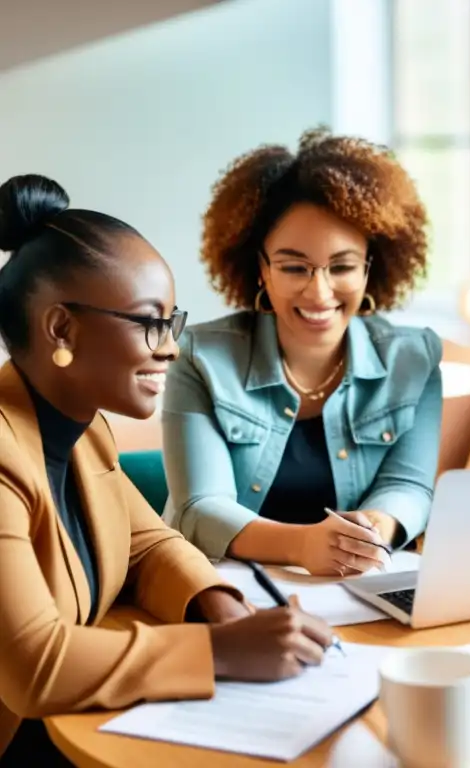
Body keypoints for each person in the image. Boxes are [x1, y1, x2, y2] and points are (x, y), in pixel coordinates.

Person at [0, 174, 335, 764]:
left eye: (171, 322)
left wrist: (219, 604)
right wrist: (219, 653)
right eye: (149, 322)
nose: (172, 348)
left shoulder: (82, 427)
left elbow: (146, 543)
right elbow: (33, 667)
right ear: (61, 328)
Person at [161, 129, 442, 576]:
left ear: (371, 267)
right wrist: (303, 546)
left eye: (343, 266)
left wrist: (370, 531)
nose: (320, 291)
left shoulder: (415, 359)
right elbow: (200, 507)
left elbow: (408, 485)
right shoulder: (199, 357)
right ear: (260, 269)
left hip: (353, 592)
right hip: (218, 591)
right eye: (294, 267)